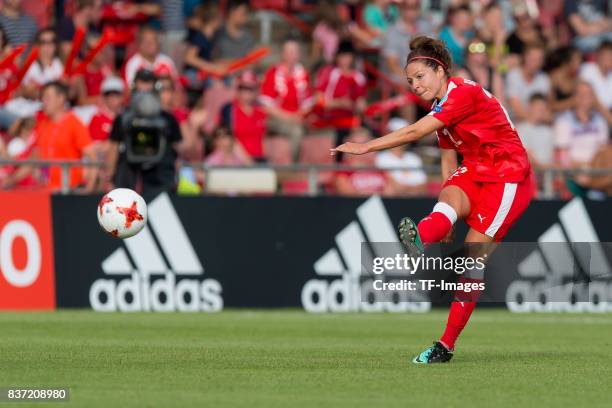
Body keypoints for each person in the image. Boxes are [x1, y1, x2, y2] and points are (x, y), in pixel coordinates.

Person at [332, 36, 534, 364]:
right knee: (447, 198)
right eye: (409, 81)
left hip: (508, 176)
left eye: (420, 77)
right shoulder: (441, 107)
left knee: (471, 260)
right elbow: (447, 160)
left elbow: (414, 133)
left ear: (439, 70)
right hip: (477, 169)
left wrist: (366, 146)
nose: (414, 85)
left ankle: (446, 345)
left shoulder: (462, 93)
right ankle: (423, 238)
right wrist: (448, 215)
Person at [1, 81, 95, 192]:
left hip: (68, 192)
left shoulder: (75, 124)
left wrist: (89, 188)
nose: (44, 102)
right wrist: (11, 180)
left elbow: (92, 157)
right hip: (45, 191)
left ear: (61, 99)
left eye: (48, 97)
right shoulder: (42, 125)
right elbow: (34, 159)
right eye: (43, 98)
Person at [106, 69, 183, 195]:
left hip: (160, 176)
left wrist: (176, 177)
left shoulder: (168, 119)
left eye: (149, 83)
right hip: (129, 175)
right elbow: (113, 149)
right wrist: (109, 177)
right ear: (134, 86)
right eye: (142, 83)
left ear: (156, 88)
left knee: (160, 212)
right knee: (128, 209)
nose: (145, 89)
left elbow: (177, 152)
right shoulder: (123, 118)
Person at [260, 37, 314, 159]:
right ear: (282, 54)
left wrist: (299, 116)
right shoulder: (272, 73)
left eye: (295, 52)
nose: (292, 55)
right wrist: (289, 117)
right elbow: (266, 106)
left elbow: (308, 104)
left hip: (298, 118)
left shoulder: (303, 74)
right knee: (296, 131)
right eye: (289, 52)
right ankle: (292, 167)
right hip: (277, 118)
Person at [220, 70, 267, 161]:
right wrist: (247, 161)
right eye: (242, 88)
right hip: (236, 159)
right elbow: (226, 138)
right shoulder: (229, 109)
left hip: (260, 159)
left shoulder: (261, 109)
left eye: (250, 89)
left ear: (256, 90)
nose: (246, 92)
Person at [375, 118, 427, 196]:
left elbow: (423, 188)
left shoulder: (414, 158)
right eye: (397, 134)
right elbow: (392, 187)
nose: (401, 138)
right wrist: (412, 189)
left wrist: (405, 189)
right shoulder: (379, 158)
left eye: (405, 134)